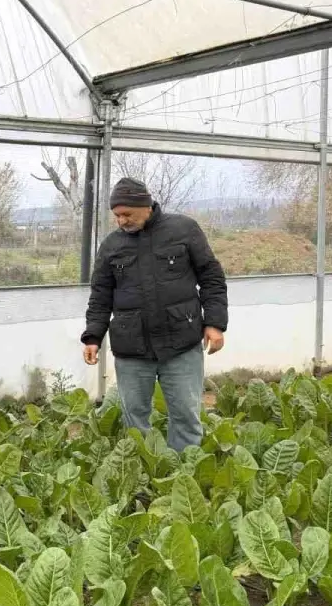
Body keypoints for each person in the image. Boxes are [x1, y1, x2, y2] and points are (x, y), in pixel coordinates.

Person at [82, 177, 228, 451]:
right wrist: (92, 337)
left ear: (146, 205)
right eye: (116, 215)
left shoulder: (184, 230)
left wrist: (215, 323)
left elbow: (211, 278)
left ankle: (184, 476)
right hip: (132, 348)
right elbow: (100, 295)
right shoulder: (112, 246)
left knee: (186, 415)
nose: (121, 221)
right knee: (134, 419)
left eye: (127, 214)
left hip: (181, 344)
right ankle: (144, 474)